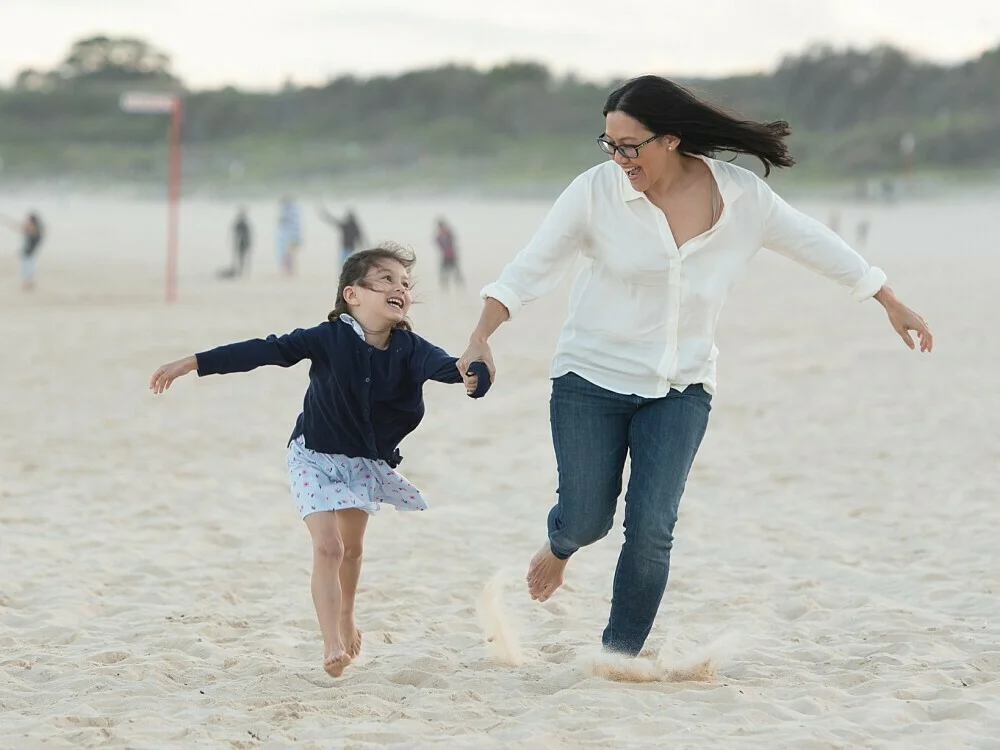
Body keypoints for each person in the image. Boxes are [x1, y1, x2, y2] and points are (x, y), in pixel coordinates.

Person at [456, 75, 933, 659]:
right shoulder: (595, 192)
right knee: (586, 519)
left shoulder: (741, 199)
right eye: (608, 143)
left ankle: (618, 655)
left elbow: (815, 242)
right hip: (590, 381)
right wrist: (481, 334)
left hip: (681, 387)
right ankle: (560, 544)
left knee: (652, 529)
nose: (617, 157)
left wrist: (887, 299)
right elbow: (528, 270)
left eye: (630, 145)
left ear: (671, 140)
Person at [149, 245, 491, 677]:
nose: (400, 288)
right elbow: (261, 351)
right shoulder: (326, 339)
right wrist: (192, 363)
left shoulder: (411, 348)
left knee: (353, 551)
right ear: (352, 294)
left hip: (364, 463)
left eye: (405, 283)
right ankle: (331, 641)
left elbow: (452, 368)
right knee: (329, 547)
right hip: (313, 456)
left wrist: (473, 375)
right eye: (386, 279)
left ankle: (347, 614)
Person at [2, 211, 44, 292]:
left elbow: (27, 230)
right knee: (26, 267)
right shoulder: (33, 229)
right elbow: (19, 227)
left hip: (29, 252)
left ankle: (29, 283)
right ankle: (28, 282)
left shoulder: (35, 230)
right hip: (27, 252)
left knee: (28, 267)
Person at [434, 218, 464, 290]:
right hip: (445, 257)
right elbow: (438, 243)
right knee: (444, 273)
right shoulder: (439, 236)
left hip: (452, 256)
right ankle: (444, 288)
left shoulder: (449, 234)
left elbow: (451, 243)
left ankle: (460, 287)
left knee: (456, 272)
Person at [277, 197, 302, 276]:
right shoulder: (296, 211)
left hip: (289, 237)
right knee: (292, 254)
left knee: (289, 254)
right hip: (295, 236)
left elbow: (281, 222)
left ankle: (289, 271)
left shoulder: (287, 212)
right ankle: (291, 271)